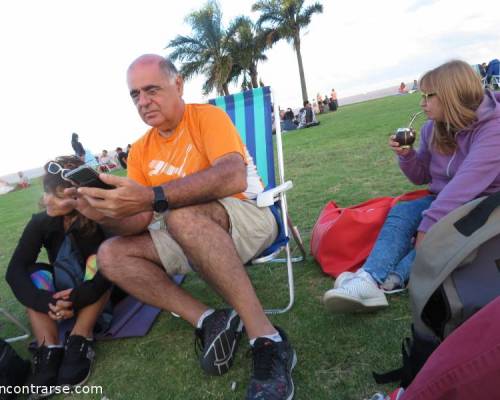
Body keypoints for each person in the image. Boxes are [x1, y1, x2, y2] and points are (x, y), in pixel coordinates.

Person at [71, 54, 296, 400]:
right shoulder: (141, 150)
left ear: (177, 85)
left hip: (249, 217)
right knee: (111, 254)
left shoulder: (207, 118)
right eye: (135, 95)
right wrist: (103, 211)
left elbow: (231, 174)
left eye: (151, 90)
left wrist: (153, 195)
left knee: (179, 215)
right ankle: (210, 320)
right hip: (187, 233)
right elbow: (139, 220)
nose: (143, 102)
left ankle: (267, 338)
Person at [323, 60, 500, 313]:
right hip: (442, 198)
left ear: (451, 96)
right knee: (404, 212)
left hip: (485, 204)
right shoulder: (432, 128)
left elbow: (465, 185)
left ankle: (390, 279)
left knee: (440, 231)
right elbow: (421, 177)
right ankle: (369, 278)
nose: (422, 103)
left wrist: (428, 225)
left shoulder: (494, 128)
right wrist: (407, 155)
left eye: (429, 96)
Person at [5, 156, 111, 396]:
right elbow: (15, 270)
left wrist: (81, 297)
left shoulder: (100, 217)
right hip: (65, 291)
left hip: (96, 289)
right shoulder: (42, 222)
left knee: (102, 259)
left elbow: (110, 271)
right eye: (46, 192)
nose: (46, 200)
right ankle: (49, 348)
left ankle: (80, 338)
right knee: (31, 274)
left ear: (80, 196)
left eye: (58, 195)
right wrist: (45, 301)